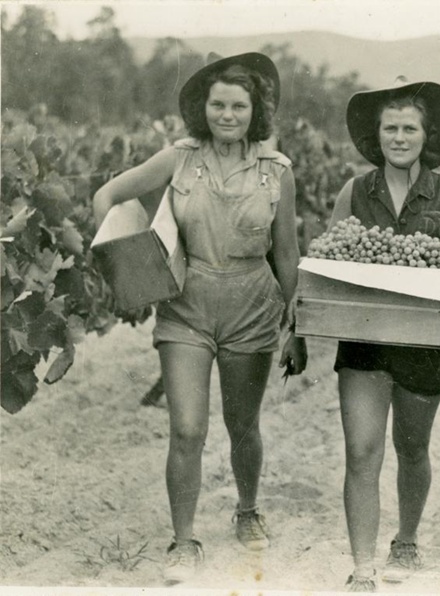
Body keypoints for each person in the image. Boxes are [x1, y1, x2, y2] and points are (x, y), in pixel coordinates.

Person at [92, 52, 308, 585]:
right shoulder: (178, 158)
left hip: (252, 308)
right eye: (217, 104)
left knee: (242, 428)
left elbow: (286, 255)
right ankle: (183, 539)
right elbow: (109, 194)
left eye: (238, 105)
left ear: (256, 110)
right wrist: (122, 248)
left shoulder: (277, 171)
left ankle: (247, 507)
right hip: (185, 305)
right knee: (187, 428)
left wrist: (295, 326)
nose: (227, 114)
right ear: (203, 108)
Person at [326, 78, 440, 592]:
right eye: (390, 128)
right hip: (365, 340)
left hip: (424, 341)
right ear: (377, 136)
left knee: (412, 448)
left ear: (425, 135)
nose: (399, 137)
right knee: (362, 450)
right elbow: (329, 255)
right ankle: (363, 568)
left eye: (409, 128)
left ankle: (407, 541)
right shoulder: (353, 192)